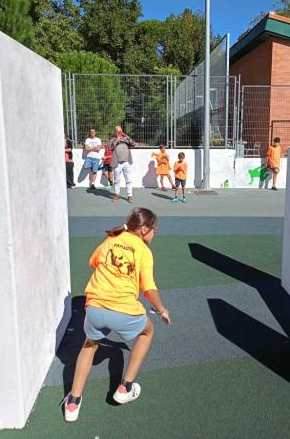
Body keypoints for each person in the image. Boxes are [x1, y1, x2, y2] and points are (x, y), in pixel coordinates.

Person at [63, 208, 171, 422]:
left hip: (94, 308)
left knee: (89, 344)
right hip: (124, 310)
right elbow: (148, 288)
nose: (154, 234)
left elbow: (92, 262)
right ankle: (126, 388)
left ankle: (73, 403)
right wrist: (161, 309)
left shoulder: (111, 239)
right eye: (154, 231)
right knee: (147, 333)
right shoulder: (144, 251)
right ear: (143, 229)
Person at [110, 125, 136, 203]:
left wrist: (126, 136)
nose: (119, 132)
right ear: (115, 132)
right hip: (117, 162)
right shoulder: (113, 139)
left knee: (128, 179)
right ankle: (117, 194)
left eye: (120, 131)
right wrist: (117, 140)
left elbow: (133, 144)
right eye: (117, 131)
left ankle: (130, 195)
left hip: (126, 162)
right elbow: (110, 148)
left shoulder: (126, 139)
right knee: (117, 180)